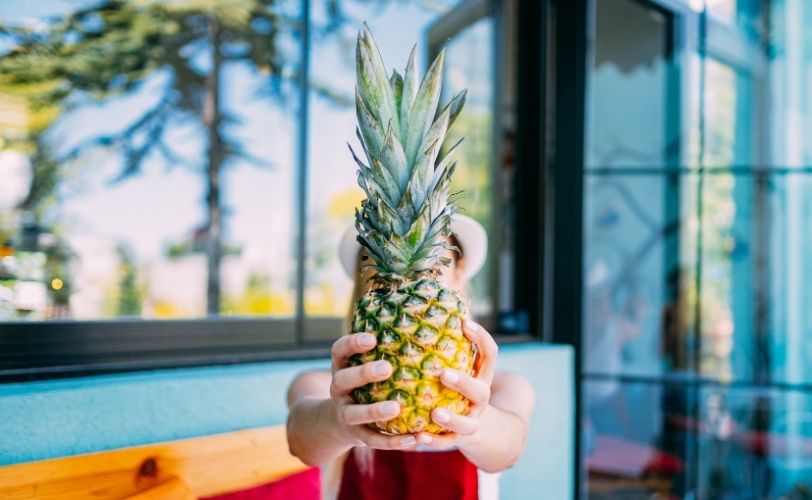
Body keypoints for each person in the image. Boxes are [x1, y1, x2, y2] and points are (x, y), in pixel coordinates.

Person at [286, 214, 534, 500]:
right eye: (380, 264)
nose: (410, 281)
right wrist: (337, 419)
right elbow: (300, 439)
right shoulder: (328, 387)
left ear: (459, 271)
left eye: (433, 263)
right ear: (361, 278)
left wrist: (475, 424)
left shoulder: (503, 388)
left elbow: (510, 448)